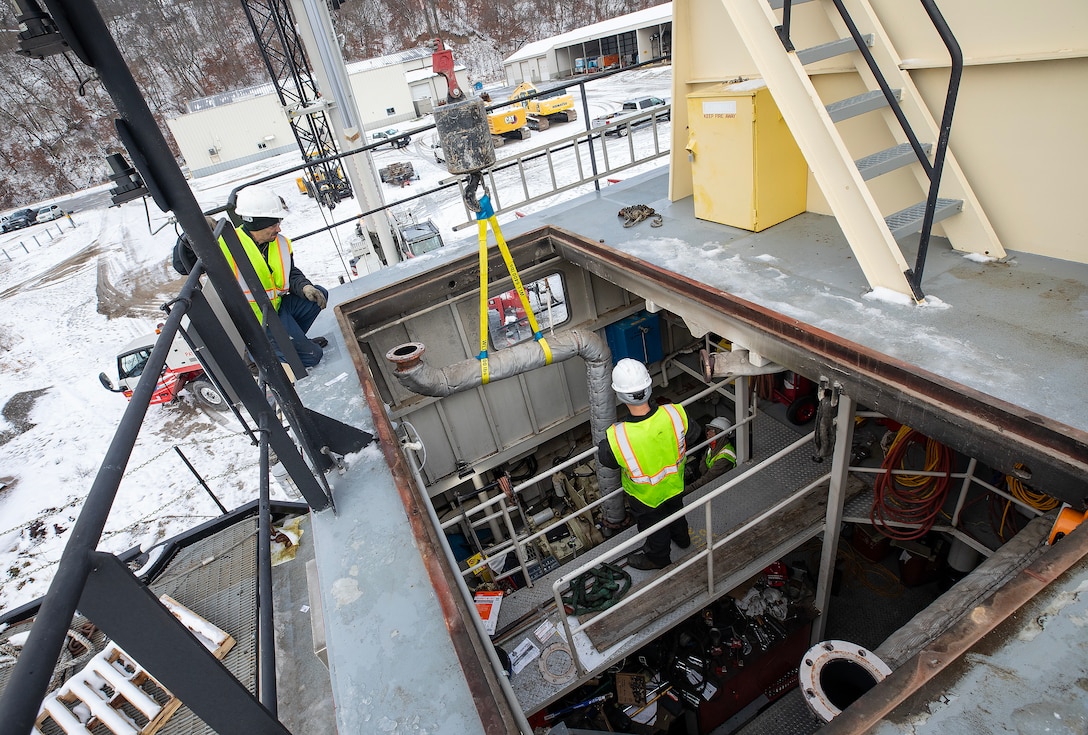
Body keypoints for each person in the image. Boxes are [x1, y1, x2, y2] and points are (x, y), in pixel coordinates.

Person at [597, 358, 699, 571]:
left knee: (655, 528)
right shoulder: (675, 413)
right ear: (649, 386)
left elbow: (607, 460)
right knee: (676, 511)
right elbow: (694, 434)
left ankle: (658, 559)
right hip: (675, 484)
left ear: (619, 395)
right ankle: (682, 539)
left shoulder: (618, 436)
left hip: (645, 498)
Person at [222, 186, 329, 369]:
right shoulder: (226, 245)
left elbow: (290, 272)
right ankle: (264, 354)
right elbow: (183, 264)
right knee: (313, 357)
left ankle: (293, 343)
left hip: (277, 308)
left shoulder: (279, 242)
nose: (278, 229)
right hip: (258, 322)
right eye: (273, 225)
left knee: (320, 294)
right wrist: (188, 237)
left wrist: (305, 287)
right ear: (256, 224)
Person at [690, 416, 737, 493]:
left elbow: (708, 479)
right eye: (708, 430)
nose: (708, 433)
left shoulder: (725, 457)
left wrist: (686, 491)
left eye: (712, 431)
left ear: (721, 434)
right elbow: (703, 464)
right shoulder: (711, 448)